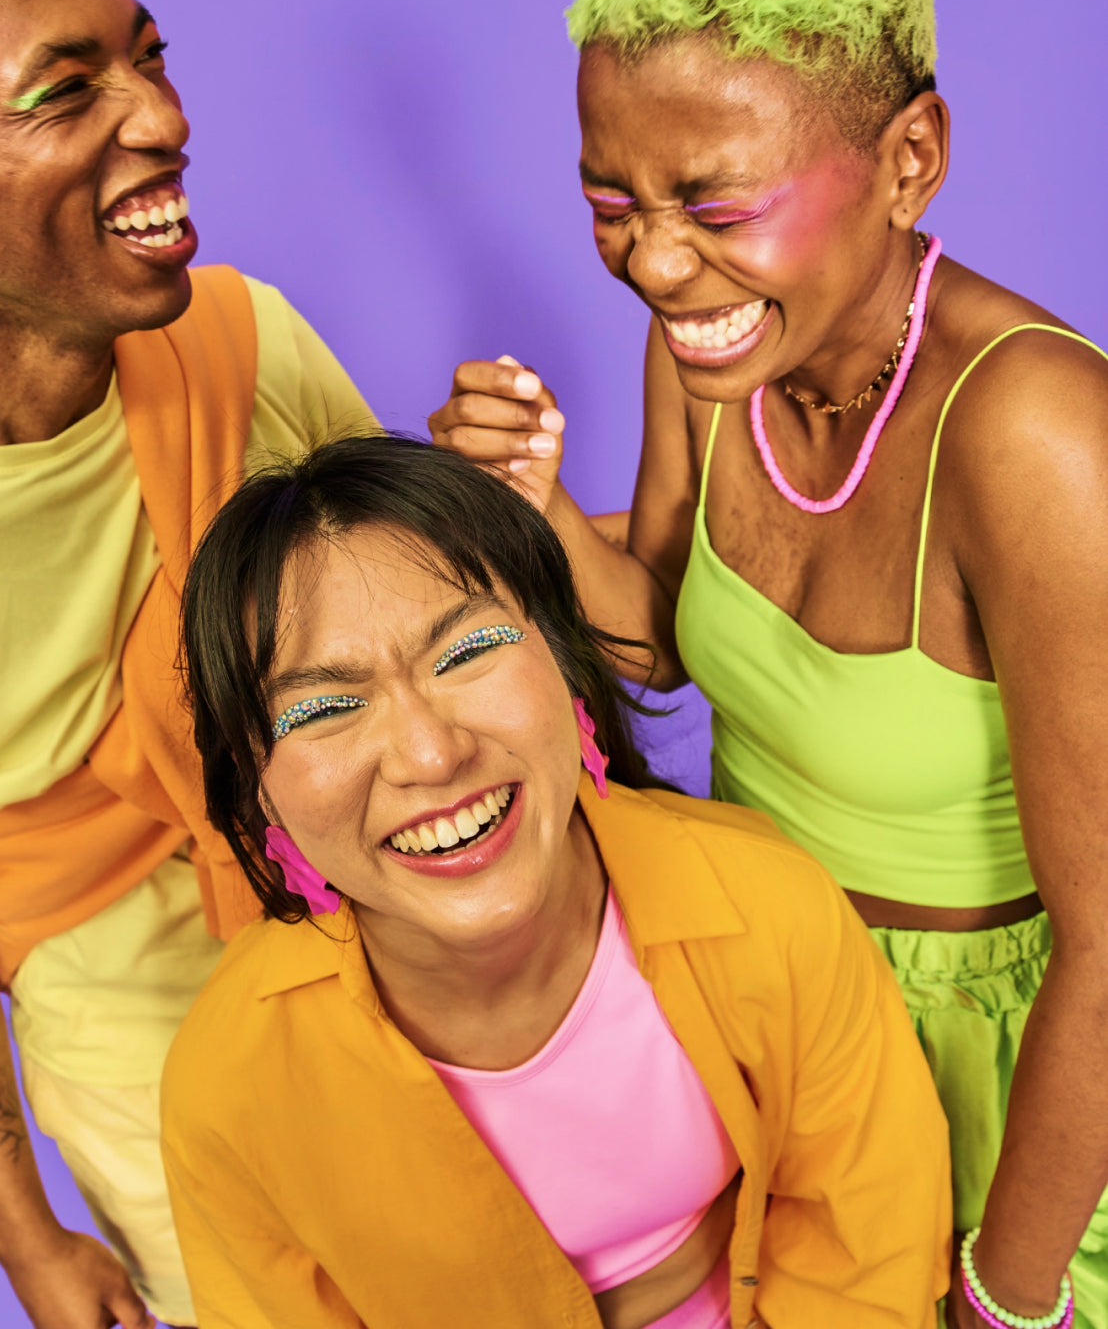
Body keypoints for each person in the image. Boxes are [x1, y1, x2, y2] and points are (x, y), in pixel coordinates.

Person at [429, 0, 1108, 1329]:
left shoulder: (1038, 437)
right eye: (611, 200)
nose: (655, 264)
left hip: (1007, 1095)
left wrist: (1006, 1295)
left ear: (909, 161)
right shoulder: (724, 339)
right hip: (773, 1021)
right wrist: (536, 509)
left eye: (714, 205)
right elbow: (666, 640)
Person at [162, 433, 950, 1329]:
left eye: (467, 651)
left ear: (564, 663)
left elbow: (866, 1250)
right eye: (327, 707)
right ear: (258, 787)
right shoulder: (228, 1082)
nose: (430, 753)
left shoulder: (769, 903)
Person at [0, 0, 374, 1328]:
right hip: (154, 1103)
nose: (164, 120)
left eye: (150, 57)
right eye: (65, 92)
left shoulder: (243, 346)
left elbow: (444, 652)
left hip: (416, 991)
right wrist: (24, 1237)